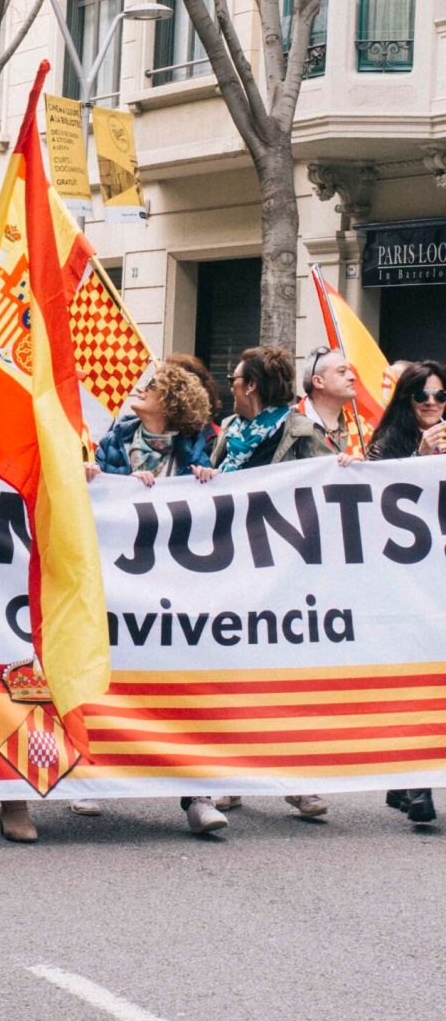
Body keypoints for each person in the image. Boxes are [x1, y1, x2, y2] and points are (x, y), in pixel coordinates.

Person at [90, 363, 226, 835]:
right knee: (108, 675)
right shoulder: (113, 441)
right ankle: (91, 780)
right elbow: (96, 495)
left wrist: (204, 479)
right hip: (115, 584)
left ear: (168, 404)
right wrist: (106, 479)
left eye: (146, 387)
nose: (136, 390)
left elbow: (218, 503)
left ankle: (197, 795)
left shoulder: (196, 451)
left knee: (181, 686)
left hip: (174, 590)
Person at [204, 346, 333, 825]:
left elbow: (328, 489)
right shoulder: (230, 433)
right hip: (229, 568)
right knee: (232, 675)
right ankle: (230, 781)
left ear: (252, 385)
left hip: (281, 572)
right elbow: (211, 486)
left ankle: (297, 782)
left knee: (278, 678)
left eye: (236, 380)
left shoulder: (300, 430)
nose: (231, 387)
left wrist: (341, 469)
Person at [368, 361, 446, 830]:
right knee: (421, 678)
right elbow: (376, 503)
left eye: (441, 397)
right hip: (408, 584)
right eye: (423, 397)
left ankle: (408, 780)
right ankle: (416, 782)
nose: (433, 405)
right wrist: (419, 457)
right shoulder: (389, 444)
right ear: (407, 401)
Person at [94, 362, 212, 486]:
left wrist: (209, 480)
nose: (139, 388)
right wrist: (89, 474)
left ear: (170, 401)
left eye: (151, 385)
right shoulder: (112, 442)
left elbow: (201, 501)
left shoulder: (193, 453)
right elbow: (96, 495)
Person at [299, 346, 358, 453]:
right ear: (318, 382)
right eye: (342, 372)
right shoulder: (287, 425)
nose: (353, 377)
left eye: (350, 371)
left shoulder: (364, 426)